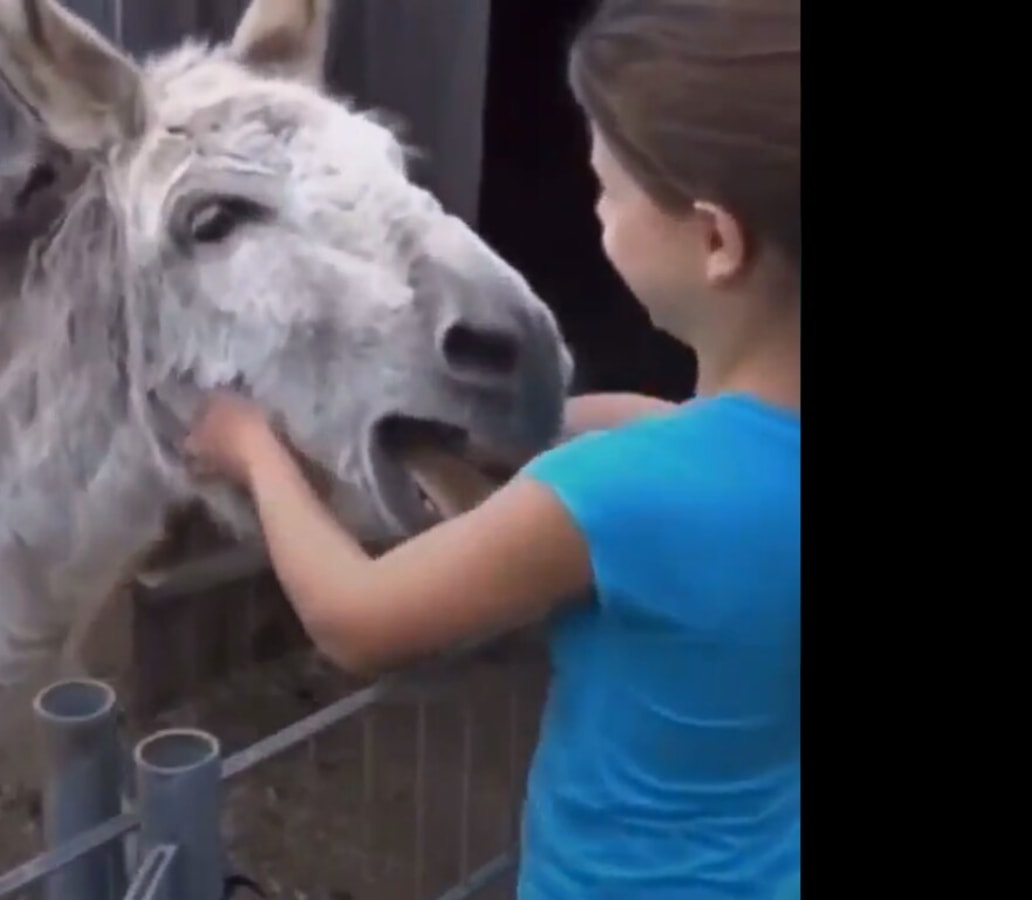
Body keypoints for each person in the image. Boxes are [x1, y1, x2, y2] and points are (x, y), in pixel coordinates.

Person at [183, 0, 800, 895]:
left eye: (608, 189)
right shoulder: (701, 463)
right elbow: (661, 435)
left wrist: (252, 452)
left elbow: (356, 619)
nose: (595, 209)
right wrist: (509, 438)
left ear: (714, 239)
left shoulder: (616, 496)